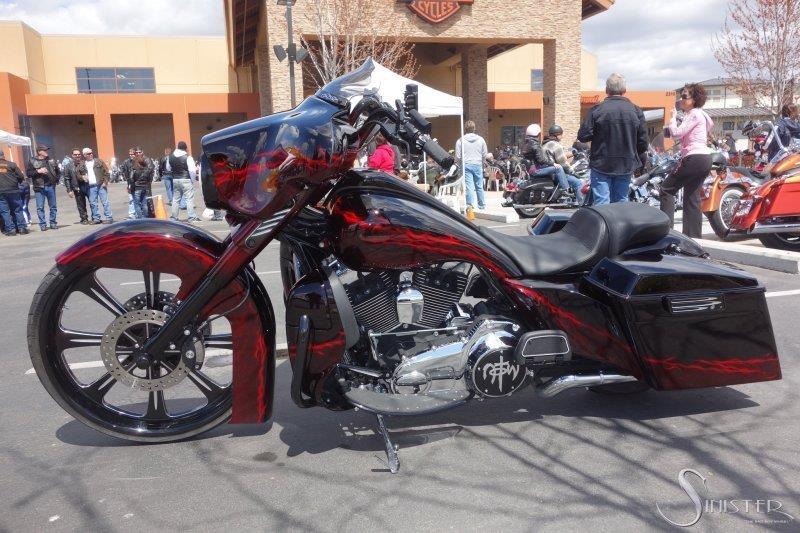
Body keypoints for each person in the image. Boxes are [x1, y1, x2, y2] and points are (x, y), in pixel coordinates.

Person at [578, 73, 648, 204]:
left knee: (601, 202)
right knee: (621, 201)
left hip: (601, 163)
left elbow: (583, 136)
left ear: (606, 90)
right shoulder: (636, 111)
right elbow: (643, 142)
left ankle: (604, 219)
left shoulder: (597, 110)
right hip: (626, 163)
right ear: (624, 90)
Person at [660, 83, 714, 239]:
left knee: (666, 189)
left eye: (684, 96)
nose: (681, 99)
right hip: (705, 158)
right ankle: (693, 238)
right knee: (692, 197)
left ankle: (667, 233)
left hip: (693, 158)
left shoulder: (693, 114)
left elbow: (677, 133)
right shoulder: (702, 115)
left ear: (694, 99)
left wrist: (672, 118)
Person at [543, 125, 586, 204]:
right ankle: (582, 205)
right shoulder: (556, 145)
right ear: (557, 135)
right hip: (556, 173)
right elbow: (563, 163)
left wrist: (572, 153)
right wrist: (573, 172)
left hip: (547, 172)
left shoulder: (545, 144)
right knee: (578, 182)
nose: (562, 137)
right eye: (561, 134)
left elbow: (557, 157)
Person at [455, 120, 489, 210]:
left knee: (469, 186)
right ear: (474, 128)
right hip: (478, 164)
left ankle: (470, 205)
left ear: (465, 129)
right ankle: (481, 205)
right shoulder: (481, 139)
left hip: (466, 165)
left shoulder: (460, 140)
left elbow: (458, 156)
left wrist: (459, 164)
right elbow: (484, 154)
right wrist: (481, 161)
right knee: (479, 186)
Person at [26, 145, 61, 231]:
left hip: (50, 186)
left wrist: (56, 179)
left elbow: (58, 171)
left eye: (46, 150)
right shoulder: (32, 160)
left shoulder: (51, 160)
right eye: (44, 150)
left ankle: (53, 223)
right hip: (39, 187)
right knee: (40, 207)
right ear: (39, 152)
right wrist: (38, 171)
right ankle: (43, 224)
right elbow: (28, 174)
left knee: (53, 206)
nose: (46, 151)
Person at [77, 147, 113, 224]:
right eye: (88, 154)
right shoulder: (82, 164)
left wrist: (105, 182)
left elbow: (106, 172)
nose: (91, 154)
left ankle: (109, 218)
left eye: (91, 153)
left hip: (101, 185)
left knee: (105, 202)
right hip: (90, 187)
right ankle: (96, 218)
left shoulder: (99, 161)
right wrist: (82, 177)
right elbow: (77, 174)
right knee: (93, 203)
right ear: (84, 155)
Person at [166, 141, 200, 222]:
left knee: (175, 199)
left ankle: (174, 217)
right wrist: (192, 180)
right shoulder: (188, 157)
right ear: (185, 148)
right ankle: (192, 217)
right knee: (189, 199)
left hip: (175, 179)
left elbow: (168, 168)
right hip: (186, 179)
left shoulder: (170, 157)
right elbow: (192, 170)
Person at [0, 149, 29, 236]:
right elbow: (21, 176)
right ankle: (22, 228)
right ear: (3, 156)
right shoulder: (11, 164)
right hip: (13, 190)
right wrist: (17, 182)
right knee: (17, 209)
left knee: (5, 211)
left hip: (1, 192)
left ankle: (11, 230)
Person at [63, 148, 89, 224]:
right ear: (72, 155)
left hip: (87, 186)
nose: (77, 156)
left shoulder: (85, 163)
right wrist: (69, 190)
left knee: (92, 202)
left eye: (79, 154)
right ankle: (84, 218)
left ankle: (95, 217)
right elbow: (67, 178)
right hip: (77, 187)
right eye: (75, 154)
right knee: (81, 204)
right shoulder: (68, 166)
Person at [128, 147, 155, 219]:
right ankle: (145, 217)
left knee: (138, 204)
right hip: (143, 186)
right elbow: (149, 174)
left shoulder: (137, 166)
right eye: (136, 152)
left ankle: (142, 218)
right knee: (144, 203)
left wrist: (131, 185)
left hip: (139, 186)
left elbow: (131, 178)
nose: (138, 154)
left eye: (139, 152)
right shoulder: (144, 167)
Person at [119, 147, 136, 219]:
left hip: (138, 183)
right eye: (130, 154)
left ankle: (140, 213)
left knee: (139, 198)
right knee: (131, 198)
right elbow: (122, 169)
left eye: (133, 154)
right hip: (130, 183)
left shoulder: (139, 161)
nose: (131, 155)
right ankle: (131, 214)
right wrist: (125, 177)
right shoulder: (127, 162)